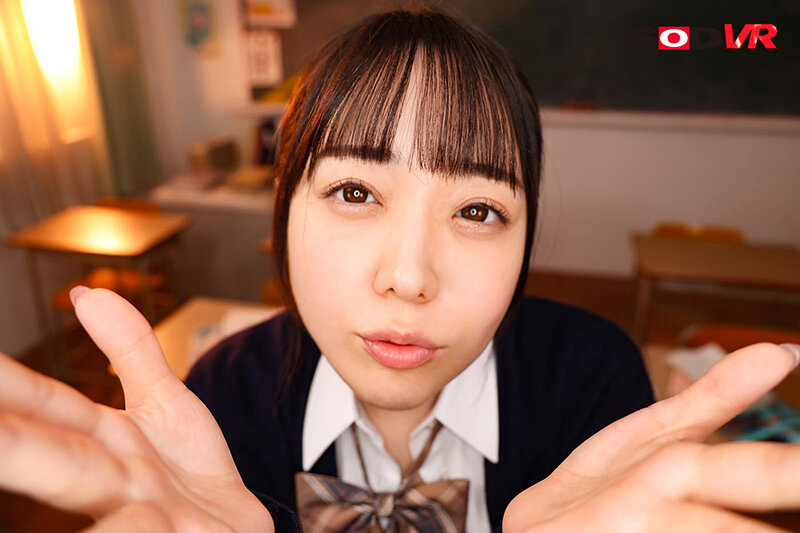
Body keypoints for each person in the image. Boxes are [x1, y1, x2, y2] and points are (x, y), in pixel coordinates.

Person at [1, 7, 800, 533]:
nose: (410, 277)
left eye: (477, 210)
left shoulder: (593, 378)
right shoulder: (220, 399)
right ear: (285, 206)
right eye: (355, 192)